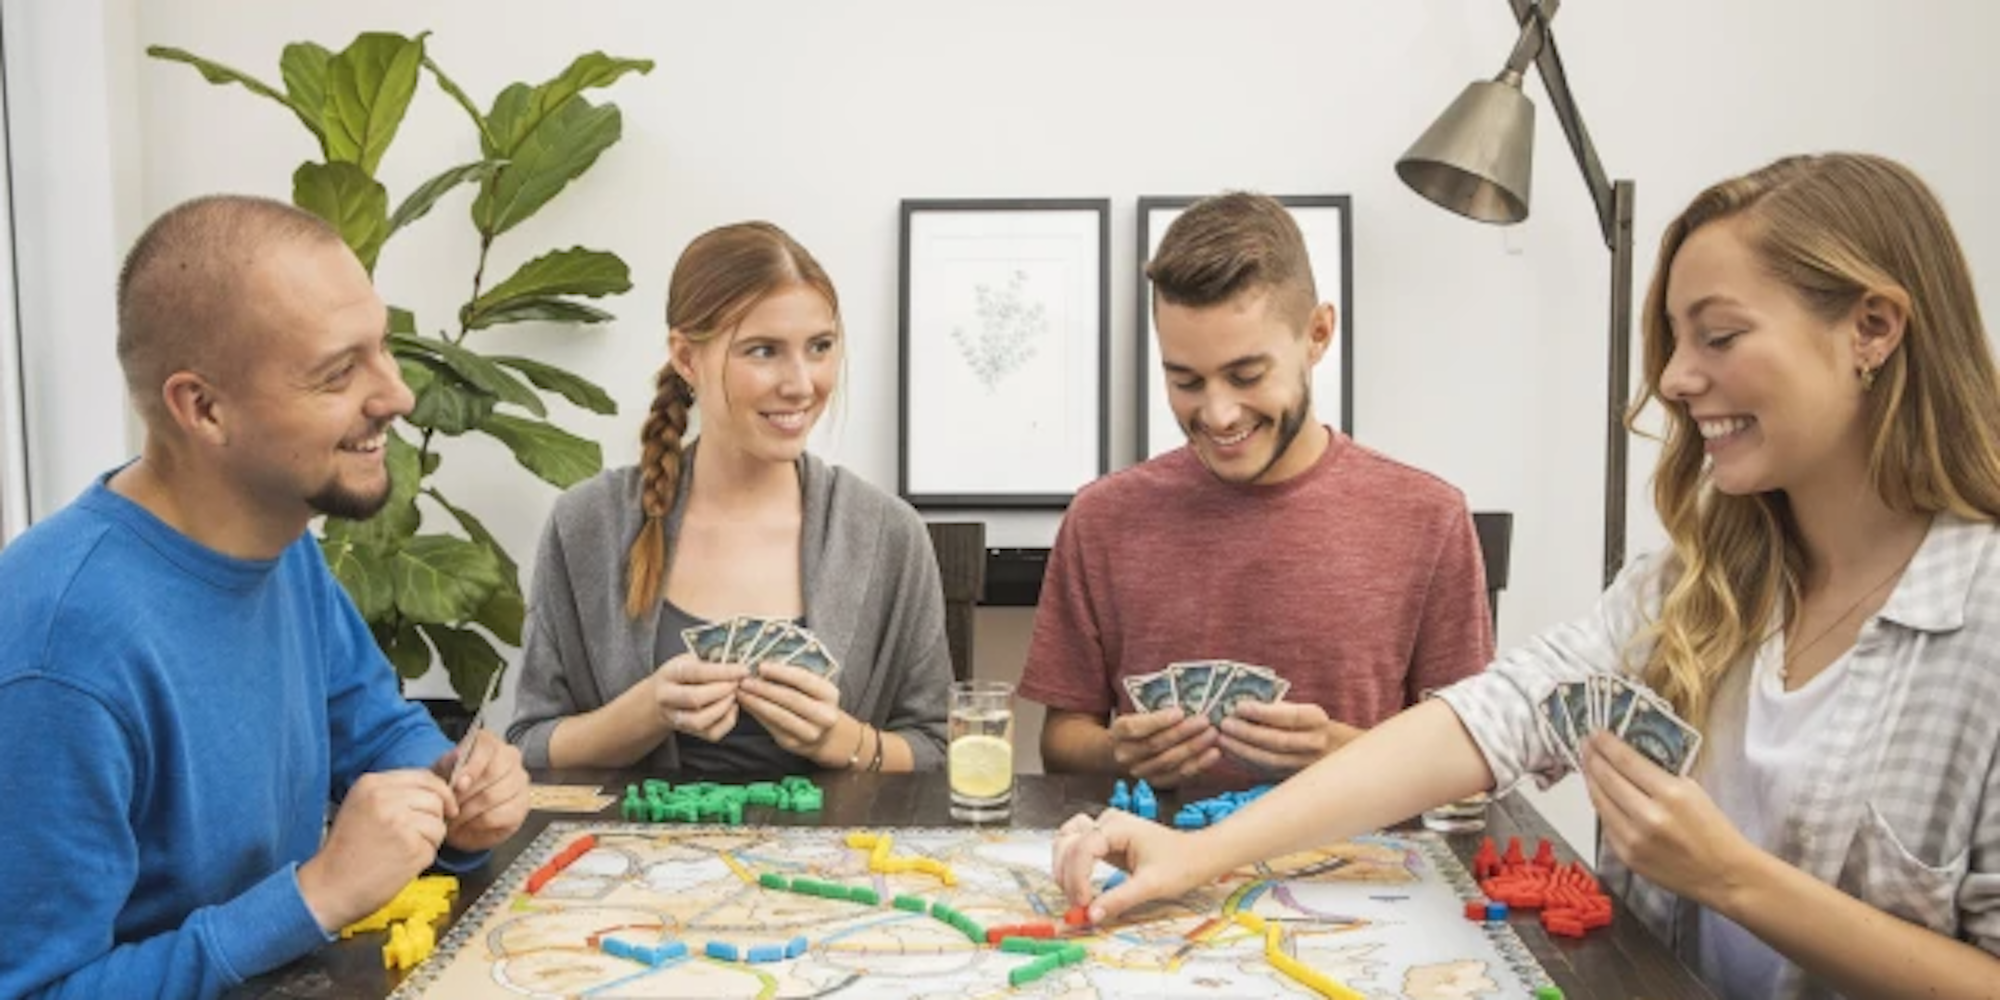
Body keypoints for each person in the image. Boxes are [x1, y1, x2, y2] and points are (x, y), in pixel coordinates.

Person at [1053, 154, 2000, 999]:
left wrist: (1730, 876)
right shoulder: (1688, 582)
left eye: (1717, 337)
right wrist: (1196, 856)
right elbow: (1490, 714)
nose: (1672, 378)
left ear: (1873, 328)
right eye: (1672, 340)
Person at [0, 195, 530, 998]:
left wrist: (461, 795)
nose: (397, 395)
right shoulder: (57, 649)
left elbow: (378, 732)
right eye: (338, 372)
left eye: (381, 349)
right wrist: (315, 895)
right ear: (203, 408)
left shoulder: (280, 547)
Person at [1020, 192, 1494, 788]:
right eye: (1185, 380)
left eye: (1247, 376)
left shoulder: (1430, 519)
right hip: (1157, 864)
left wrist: (1342, 752)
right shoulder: (1102, 520)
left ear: (1318, 334)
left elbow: (1472, 767)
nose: (1217, 414)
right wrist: (1118, 751)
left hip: (1359, 872)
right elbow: (1061, 742)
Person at [507, 221, 951, 774]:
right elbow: (529, 744)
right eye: (763, 351)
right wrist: (646, 711)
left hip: (834, 860)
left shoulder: (888, 534)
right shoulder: (587, 524)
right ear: (686, 359)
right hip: (631, 858)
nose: (800, 383)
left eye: (820, 347)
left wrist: (842, 739)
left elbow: (938, 752)